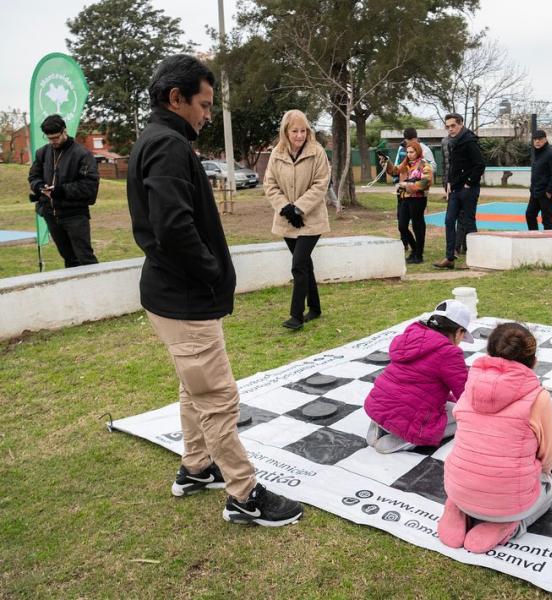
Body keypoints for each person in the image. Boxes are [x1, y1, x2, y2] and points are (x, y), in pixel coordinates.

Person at [126, 54, 303, 527]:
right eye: (203, 105)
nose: (208, 114)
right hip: (184, 299)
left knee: (193, 388)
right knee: (218, 398)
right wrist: (213, 274)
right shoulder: (166, 145)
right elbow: (173, 228)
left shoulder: (158, 140)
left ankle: (196, 466)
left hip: (171, 295)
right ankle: (244, 494)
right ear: (175, 98)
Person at [439, 322, 552, 553]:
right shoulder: (538, 397)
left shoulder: (470, 384)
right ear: (532, 359)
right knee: (549, 487)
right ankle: (507, 524)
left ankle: (457, 506)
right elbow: (549, 455)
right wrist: (540, 469)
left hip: (459, 486)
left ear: (490, 352)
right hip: (508, 500)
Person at [364, 299, 472, 453]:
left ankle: (380, 426)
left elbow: (428, 385)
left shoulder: (411, 335)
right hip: (408, 414)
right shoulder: (449, 353)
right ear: (459, 331)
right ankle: (404, 439)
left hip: (378, 406)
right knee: (465, 418)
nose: (461, 341)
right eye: (463, 336)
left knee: (411, 402)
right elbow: (465, 394)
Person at [264, 109, 331, 330]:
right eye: (295, 131)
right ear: (286, 131)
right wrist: (286, 209)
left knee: (298, 264)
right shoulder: (276, 153)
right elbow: (270, 183)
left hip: (311, 219)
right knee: (305, 264)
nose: (299, 135)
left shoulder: (317, 151)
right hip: (286, 219)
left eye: (303, 130)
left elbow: (321, 183)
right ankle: (315, 308)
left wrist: (299, 209)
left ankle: (296, 316)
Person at [28, 114, 100, 268]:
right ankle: (74, 291)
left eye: (56, 137)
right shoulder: (42, 153)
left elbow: (89, 186)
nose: (53, 141)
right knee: (69, 259)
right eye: (49, 138)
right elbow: (33, 176)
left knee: (85, 258)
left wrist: (60, 191)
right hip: (50, 214)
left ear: (64, 131)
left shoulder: (83, 154)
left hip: (75, 215)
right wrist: (40, 187)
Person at [434, 113, 485, 269]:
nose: (450, 129)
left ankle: (476, 258)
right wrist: (449, 182)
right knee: (449, 220)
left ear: (461, 124)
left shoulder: (469, 141)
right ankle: (450, 257)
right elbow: (452, 165)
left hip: (468, 189)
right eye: (447, 126)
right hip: (455, 189)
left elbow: (480, 164)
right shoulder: (451, 142)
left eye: (453, 125)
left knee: (469, 222)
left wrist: (469, 183)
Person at [379, 140, 433, 263]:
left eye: (412, 152)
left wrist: (406, 185)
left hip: (418, 199)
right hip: (404, 198)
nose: (409, 154)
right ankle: (415, 249)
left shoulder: (424, 165)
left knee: (417, 226)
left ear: (418, 151)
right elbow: (394, 171)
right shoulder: (406, 163)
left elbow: (426, 182)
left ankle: (418, 255)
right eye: (407, 152)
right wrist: (386, 162)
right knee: (402, 226)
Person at [526, 129, 552, 230]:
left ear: (545, 139)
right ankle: (534, 237)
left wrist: (549, 191)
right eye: (535, 139)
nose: (537, 141)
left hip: (545, 192)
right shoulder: (536, 153)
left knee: (546, 219)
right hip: (535, 191)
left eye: (540, 139)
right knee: (530, 214)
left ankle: (548, 241)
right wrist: (532, 189)